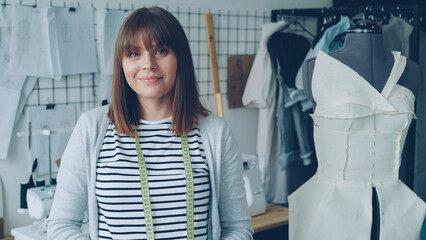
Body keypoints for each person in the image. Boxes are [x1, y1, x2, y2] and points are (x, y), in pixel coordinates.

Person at [47, 6, 253, 240]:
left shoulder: (215, 133)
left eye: (161, 51)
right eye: (134, 53)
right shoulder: (91, 129)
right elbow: (61, 226)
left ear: (180, 58)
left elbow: (238, 228)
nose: (148, 64)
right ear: (122, 63)